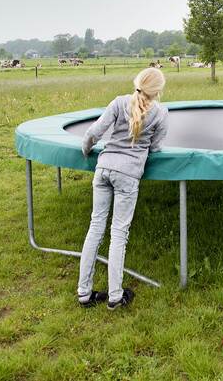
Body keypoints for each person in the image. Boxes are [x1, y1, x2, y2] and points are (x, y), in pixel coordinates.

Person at [77, 67, 168, 310]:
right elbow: (156, 148)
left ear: (137, 83)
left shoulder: (119, 103)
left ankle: (84, 293)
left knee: (95, 227)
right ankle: (115, 296)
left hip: (104, 168)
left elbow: (93, 133)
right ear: (158, 91)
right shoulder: (160, 113)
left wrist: (86, 152)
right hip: (128, 174)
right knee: (119, 233)